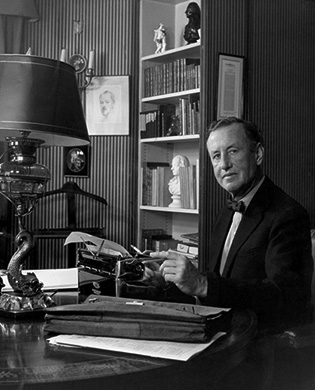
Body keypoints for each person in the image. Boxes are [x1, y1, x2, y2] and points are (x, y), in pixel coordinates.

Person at [146, 117, 313, 330]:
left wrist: (202, 283)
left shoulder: (288, 214)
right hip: (219, 330)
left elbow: (286, 297)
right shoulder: (226, 212)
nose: (224, 164)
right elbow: (216, 292)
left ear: (258, 154)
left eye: (232, 151)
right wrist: (168, 283)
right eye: (216, 156)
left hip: (256, 345)